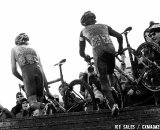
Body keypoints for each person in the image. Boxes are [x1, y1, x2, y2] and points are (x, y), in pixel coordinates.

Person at [79, 11, 123, 116]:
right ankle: (114, 94)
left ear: (84, 23)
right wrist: (120, 48)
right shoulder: (105, 26)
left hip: (99, 53)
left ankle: (113, 105)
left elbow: (81, 52)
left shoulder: (83, 31)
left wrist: (85, 57)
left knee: (104, 82)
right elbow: (120, 36)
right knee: (110, 75)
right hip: (111, 50)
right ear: (94, 19)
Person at [11, 33, 51, 111]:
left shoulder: (14, 49)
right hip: (40, 75)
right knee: (40, 105)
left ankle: (45, 106)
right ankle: (46, 106)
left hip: (27, 74)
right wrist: (48, 91)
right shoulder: (34, 49)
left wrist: (23, 79)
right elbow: (43, 71)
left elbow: (14, 70)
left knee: (33, 104)